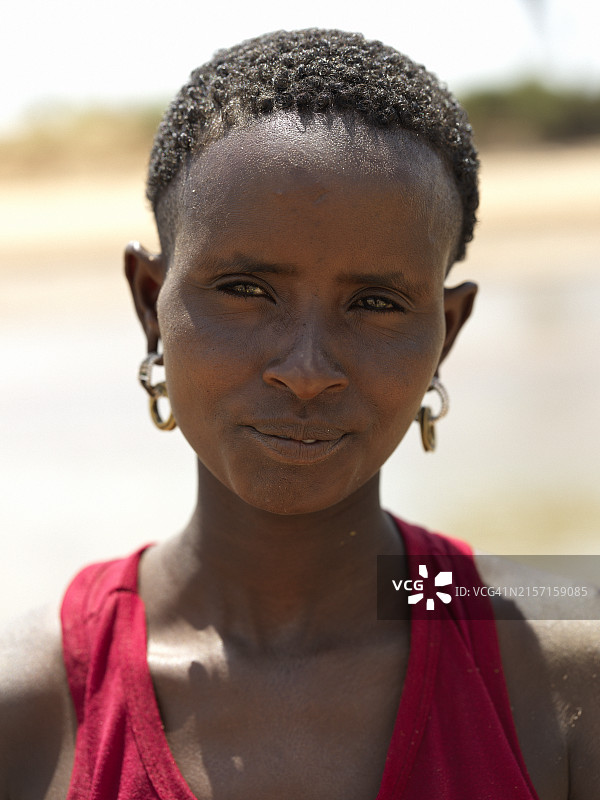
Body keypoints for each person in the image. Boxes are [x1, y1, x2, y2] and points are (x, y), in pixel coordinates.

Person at [1, 28, 598, 800]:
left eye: (376, 303)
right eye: (247, 289)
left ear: (445, 334)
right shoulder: (32, 701)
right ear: (152, 303)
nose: (307, 371)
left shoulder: (557, 658)